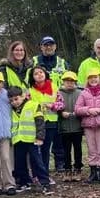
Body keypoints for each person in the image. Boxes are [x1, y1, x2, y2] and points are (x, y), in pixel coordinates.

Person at [32, 35, 69, 172]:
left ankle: (60, 163)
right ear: (41, 47)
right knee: (43, 138)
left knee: (60, 136)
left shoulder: (62, 62)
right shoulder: (34, 61)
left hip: (59, 102)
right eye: (45, 45)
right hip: (40, 104)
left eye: (51, 45)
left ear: (55, 46)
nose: (48, 47)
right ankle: (42, 165)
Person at [9, 85, 52, 194]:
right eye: (11, 100)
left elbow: (40, 122)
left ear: (23, 96)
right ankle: (24, 182)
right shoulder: (11, 110)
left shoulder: (33, 105)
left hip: (32, 139)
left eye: (16, 99)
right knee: (19, 162)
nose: (14, 102)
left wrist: (40, 137)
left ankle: (44, 182)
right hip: (18, 139)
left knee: (37, 161)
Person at [75, 68, 100, 183]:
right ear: (88, 80)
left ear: (99, 78)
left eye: (95, 77)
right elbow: (77, 109)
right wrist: (88, 110)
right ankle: (92, 173)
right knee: (91, 148)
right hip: (88, 125)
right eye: (91, 78)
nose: (93, 80)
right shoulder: (84, 93)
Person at [28, 65, 59, 181]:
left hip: (51, 123)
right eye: (36, 74)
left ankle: (45, 174)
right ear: (32, 77)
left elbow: (61, 104)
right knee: (35, 150)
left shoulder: (54, 87)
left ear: (45, 74)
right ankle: (35, 174)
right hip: (35, 123)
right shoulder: (30, 91)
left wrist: (53, 106)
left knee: (46, 150)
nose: (39, 75)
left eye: (41, 72)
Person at [52, 71, 83, 182]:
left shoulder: (80, 93)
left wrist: (79, 113)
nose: (69, 83)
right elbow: (54, 107)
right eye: (67, 81)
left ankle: (78, 168)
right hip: (64, 127)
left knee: (78, 149)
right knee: (66, 150)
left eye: (71, 81)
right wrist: (61, 113)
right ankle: (67, 169)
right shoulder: (58, 93)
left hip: (77, 126)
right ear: (63, 82)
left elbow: (84, 106)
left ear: (75, 82)